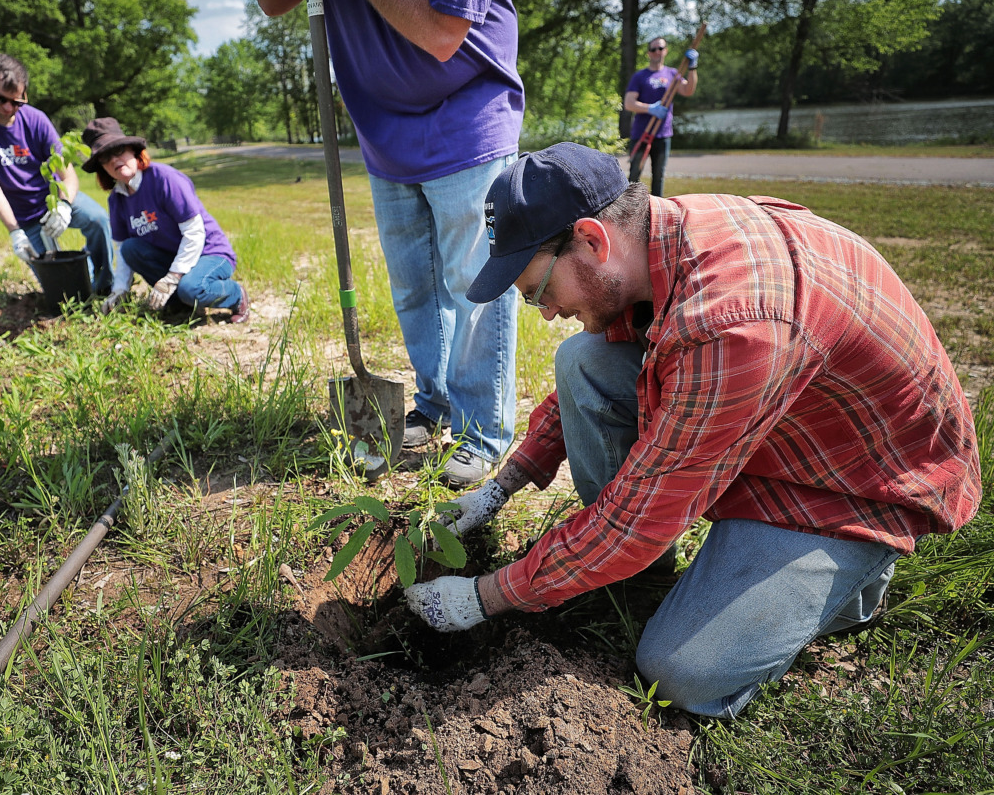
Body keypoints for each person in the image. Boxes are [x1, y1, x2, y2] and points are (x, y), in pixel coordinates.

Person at [404, 142, 981, 719]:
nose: (545, 311)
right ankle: (633, 576)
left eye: (538, 292)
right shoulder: (654, 241)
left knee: (681, 672)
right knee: (582, 362)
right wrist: (501, 486)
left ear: (592, 239)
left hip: (854, 483)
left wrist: (486, 597)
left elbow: (640, 516)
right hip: (783, 418)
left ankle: (851, 586)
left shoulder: (731, 323)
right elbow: (596, 385)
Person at [256, 0, 523, 486]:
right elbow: (271, 5)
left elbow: (444, 36)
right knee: (412, 284)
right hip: (384, 132)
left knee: (474, 281)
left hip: (466, 117)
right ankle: (436, 403)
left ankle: (482, 432)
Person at [0, 53, 113, 294]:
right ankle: (85, 280)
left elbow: (68, 175)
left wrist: (65, 206)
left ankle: (105, 284)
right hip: (23, 216)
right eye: (0, 99)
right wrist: (15, 231)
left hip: (54, 199)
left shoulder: (36, 120)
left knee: (98, 220)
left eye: (17, 102)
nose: (9, 108)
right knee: (65, 291)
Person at [82, 117, 249, 322]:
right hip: (171, 257)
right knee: (130, 248)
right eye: (105, 158)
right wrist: (119, 292)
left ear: (133, 151)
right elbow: (122, 250)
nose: (114, 160)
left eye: (118, 151)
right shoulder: (117, 200)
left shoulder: (165, 179)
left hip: (209, 252)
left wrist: (172, 278)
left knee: (192, 288)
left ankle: (236, 295)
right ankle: (182, 305)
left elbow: (194, 232)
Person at [624, 36, 698, 197]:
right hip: (641, 134)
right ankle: (628, 211)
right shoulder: (640, 76)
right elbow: (629, 103)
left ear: (665, 51)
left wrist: (692, 67)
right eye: (653, 49)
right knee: (634, 176)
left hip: (663, 134)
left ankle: (658, 212)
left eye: (660, 48)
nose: (657, 52)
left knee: (658, 177)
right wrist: (650, 108)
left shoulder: (673, 73)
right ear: (648, 53)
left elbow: (688, 90)